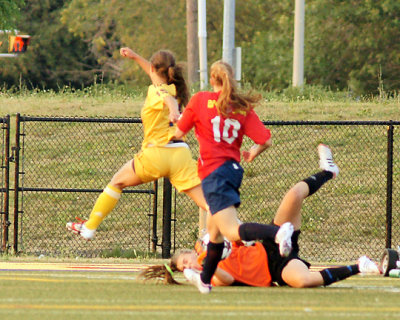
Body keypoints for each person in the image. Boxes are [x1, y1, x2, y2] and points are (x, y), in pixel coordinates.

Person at [140, 145, 381, 288]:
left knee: (294, 194)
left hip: (270, 245)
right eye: (185, 268)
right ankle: (360, 266)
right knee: (304, 281)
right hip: (275, 268)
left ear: (189, 251)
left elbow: (221, 221)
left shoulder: (206, 243)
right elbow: (224, 277)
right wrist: (200, 271)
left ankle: (328, 171)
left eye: (185, 260)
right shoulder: (210, 272)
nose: (188, 264)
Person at [173, 60, 295, 294]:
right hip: (232, 170)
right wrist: (252, 154)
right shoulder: (240, 106)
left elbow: (179, 133)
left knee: (229, 230)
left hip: (213, 173)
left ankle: (277, 233)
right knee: (214, 234)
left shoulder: (200, 100)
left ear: (211, 80)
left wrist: (174, 124)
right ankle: (205, 281)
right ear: (231, 78)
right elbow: (265, 140)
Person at [66, 47, 207, 240]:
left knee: (116, 182)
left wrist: (174, 110)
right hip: (180, 154)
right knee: (209, 204)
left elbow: (166, 98)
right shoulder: (176, 89)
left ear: (157, 70)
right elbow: (158, 80)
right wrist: (135, 57)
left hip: (156, 154)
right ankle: (238, 231)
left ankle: (89, 228)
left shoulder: (159, 91)